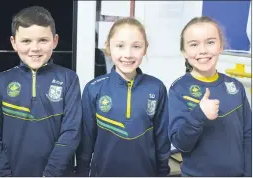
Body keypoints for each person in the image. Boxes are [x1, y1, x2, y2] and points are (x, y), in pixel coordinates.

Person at [0, 6, 82, 177]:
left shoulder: (69, 79)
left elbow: (71, 133)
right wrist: (3, 175)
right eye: (26, 41)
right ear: (14, 43)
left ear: (55, 41)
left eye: (43, 40)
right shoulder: (0, 82)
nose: (35, 48)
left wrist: (50, 174)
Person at [75, 17, 171, 177]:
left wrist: (163, 172)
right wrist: (82, 173)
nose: (128, 54)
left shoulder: (157, 87)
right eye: (120, 46)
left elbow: (162, 138)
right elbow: (86, 140)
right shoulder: (94, 88)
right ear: (108, 47)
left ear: (145, 48)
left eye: (136, 46)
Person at [168, 16, 252, 176]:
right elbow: (180, 144)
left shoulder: (236, 87)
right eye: (194, 44)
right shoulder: (178, 89)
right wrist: (199, 114)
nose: (203, 50)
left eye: (210, 42)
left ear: (221, 46)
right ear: (184, 52)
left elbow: (248, 135)